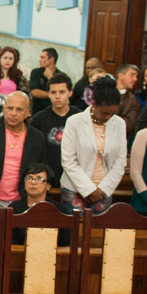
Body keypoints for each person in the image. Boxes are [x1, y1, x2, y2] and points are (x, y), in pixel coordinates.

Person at [60, 77, 126, 214]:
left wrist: (102, 189)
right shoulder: (74, 122)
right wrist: (89, 190)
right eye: (104, 113)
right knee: (74, 233)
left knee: (99, 233)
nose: (108, 117)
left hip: (104, 190)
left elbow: (120, 162)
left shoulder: (119, 124)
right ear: (94, 104)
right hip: (74, 189)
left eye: (112, 113)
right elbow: (68, 160)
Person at [29, 72, 78, 189]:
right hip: (47, 178)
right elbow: (33, 152)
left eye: (62, 92)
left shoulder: (79, 117)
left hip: (74, 178)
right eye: (53, 92)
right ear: (48, 94)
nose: (57, 96)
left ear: (70, 93)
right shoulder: (38, 119)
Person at [9, 163, 70, 246]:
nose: (33, 182)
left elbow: (65, 242)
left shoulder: (59, 210)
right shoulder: (14, 209)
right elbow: (10, 241)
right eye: (29, 178)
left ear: (48, 186)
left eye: (39, 179)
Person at [27, 47, 58, 116]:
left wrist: (50, 78)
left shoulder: (60, 75)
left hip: (54, 113)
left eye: (43, 57)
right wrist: (51, 94)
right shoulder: (36, 72)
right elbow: (34, 92)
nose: (39, 60)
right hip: (37, 112)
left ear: (51, 59)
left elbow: (59, 91)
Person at [114, 63, 142, 136]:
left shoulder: (134, 101)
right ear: (120, 75)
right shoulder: (104, 93)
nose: (135, 79)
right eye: (132, 75)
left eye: (136, 76)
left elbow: (129, 125)